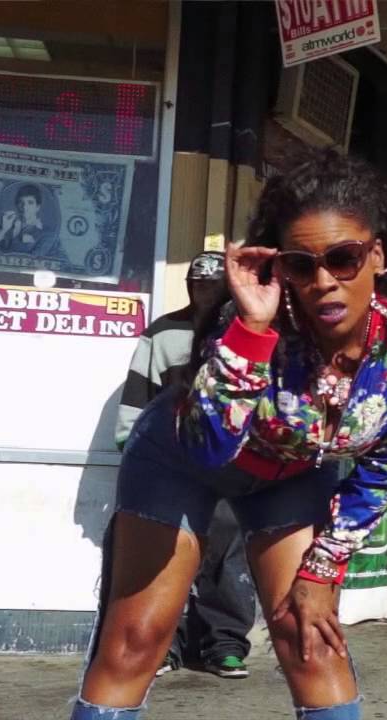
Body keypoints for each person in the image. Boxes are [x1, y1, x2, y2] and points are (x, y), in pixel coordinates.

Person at [71, 149, 387, 719]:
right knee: (136, 639)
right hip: (178, 460)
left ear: (376, 256)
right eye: (301, 265)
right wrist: (251, 327)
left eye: (343, 259)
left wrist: (323, 569)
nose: (323, 282)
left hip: (289, 476)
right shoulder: (252, 323)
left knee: (310, 636)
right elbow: (207, 447)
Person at [113, 251, 256, 680]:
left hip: (230, 466)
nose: (204, 293)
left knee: (227, 557)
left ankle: (224, 645)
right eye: (197, 285)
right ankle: (163, 645)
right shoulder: (162, 333)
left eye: (213, 286)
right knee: (164, 557)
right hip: (170, 467)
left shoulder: (243, 329)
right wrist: (130, 449)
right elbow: (138, 395)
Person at [0, 183, 58, 256]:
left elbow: (35, 259)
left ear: (37, 207)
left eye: (30, 203)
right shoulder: (8, 225)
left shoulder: (47, 233)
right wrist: (4, 229)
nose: (25, 207)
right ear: (17, 205)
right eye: (21, 202)